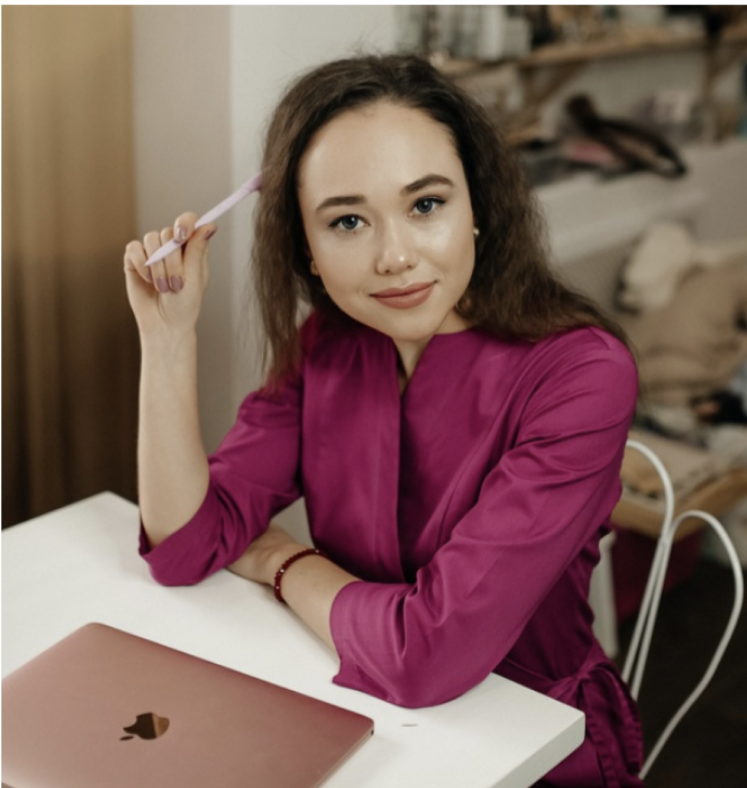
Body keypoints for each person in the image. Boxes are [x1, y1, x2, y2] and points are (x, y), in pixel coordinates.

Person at [123, 54, 642, 787]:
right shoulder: (327, 345)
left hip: (530, 747)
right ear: (307, 249)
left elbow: (426, 656)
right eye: (347, 221)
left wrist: (282, 562)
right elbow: (184, 547)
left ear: (476, 208)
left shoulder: (580, 374)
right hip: (357, 718)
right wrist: (168, 338)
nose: (395, 257)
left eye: (425, 205)